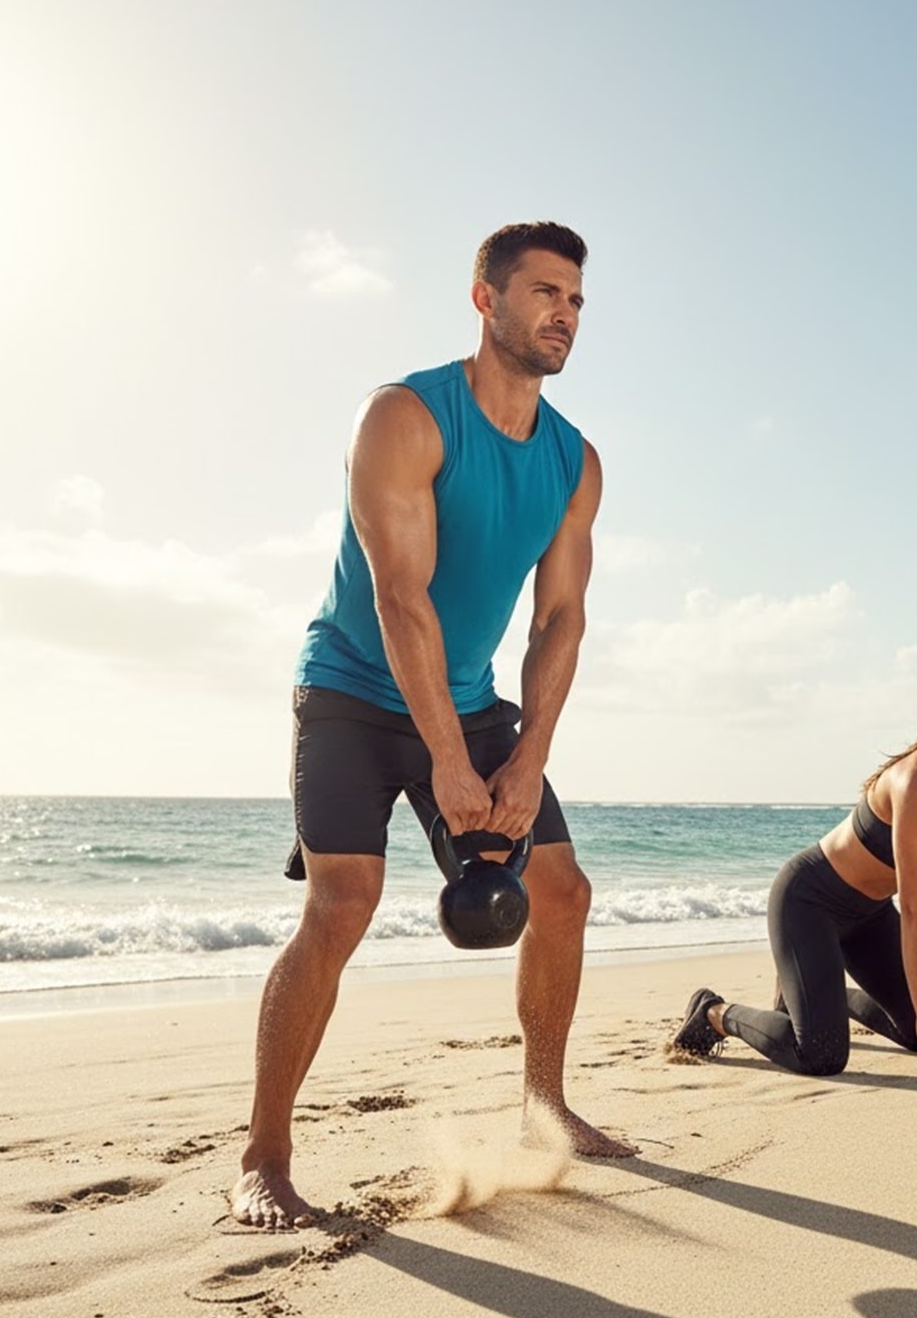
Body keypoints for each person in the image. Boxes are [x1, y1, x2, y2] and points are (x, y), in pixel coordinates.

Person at [232, 222, 631, 1232]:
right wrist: (451, 766)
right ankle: (263, 1157)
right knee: (344, 902)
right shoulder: (406, 417)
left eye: (576, 298)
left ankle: (544, 1104)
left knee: (563, 889)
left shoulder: (573, 460)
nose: (564, 314)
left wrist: (527, 757)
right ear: (484, 299)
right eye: (544, 292)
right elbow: (400, 596)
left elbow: (561, 617)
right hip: (353, 693)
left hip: (469, 697)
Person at [668, 659, 917, 1079]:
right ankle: (714, 1012)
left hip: (869, 916)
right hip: (809, 902)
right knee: (821, 1056)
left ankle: (816, 996)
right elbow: (915, 908)